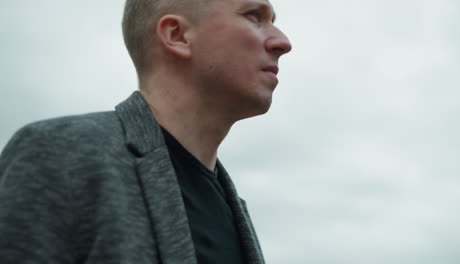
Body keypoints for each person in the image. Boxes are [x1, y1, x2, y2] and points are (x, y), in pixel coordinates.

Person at [0, 0, 291, 263]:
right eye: (254, 16)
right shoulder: (59, 155)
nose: (283, 42)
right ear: (177, 35)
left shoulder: (232, 209)